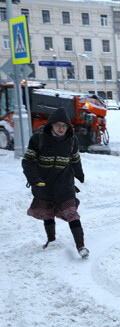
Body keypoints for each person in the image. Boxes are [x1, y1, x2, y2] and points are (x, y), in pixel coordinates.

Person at [22, 107, 89, 258]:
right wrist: (35, 180)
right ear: (51, 125)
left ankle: (81, 246)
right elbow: (28, 161)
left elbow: (75, 159)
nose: (61, 129)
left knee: (72, 213)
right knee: (47, 213)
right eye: (58, 125)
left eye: (64, 126)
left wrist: (79, 174)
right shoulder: (39, 139)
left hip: (64, 183)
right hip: (43, 183)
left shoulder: (71, 140)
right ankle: (51, 241)